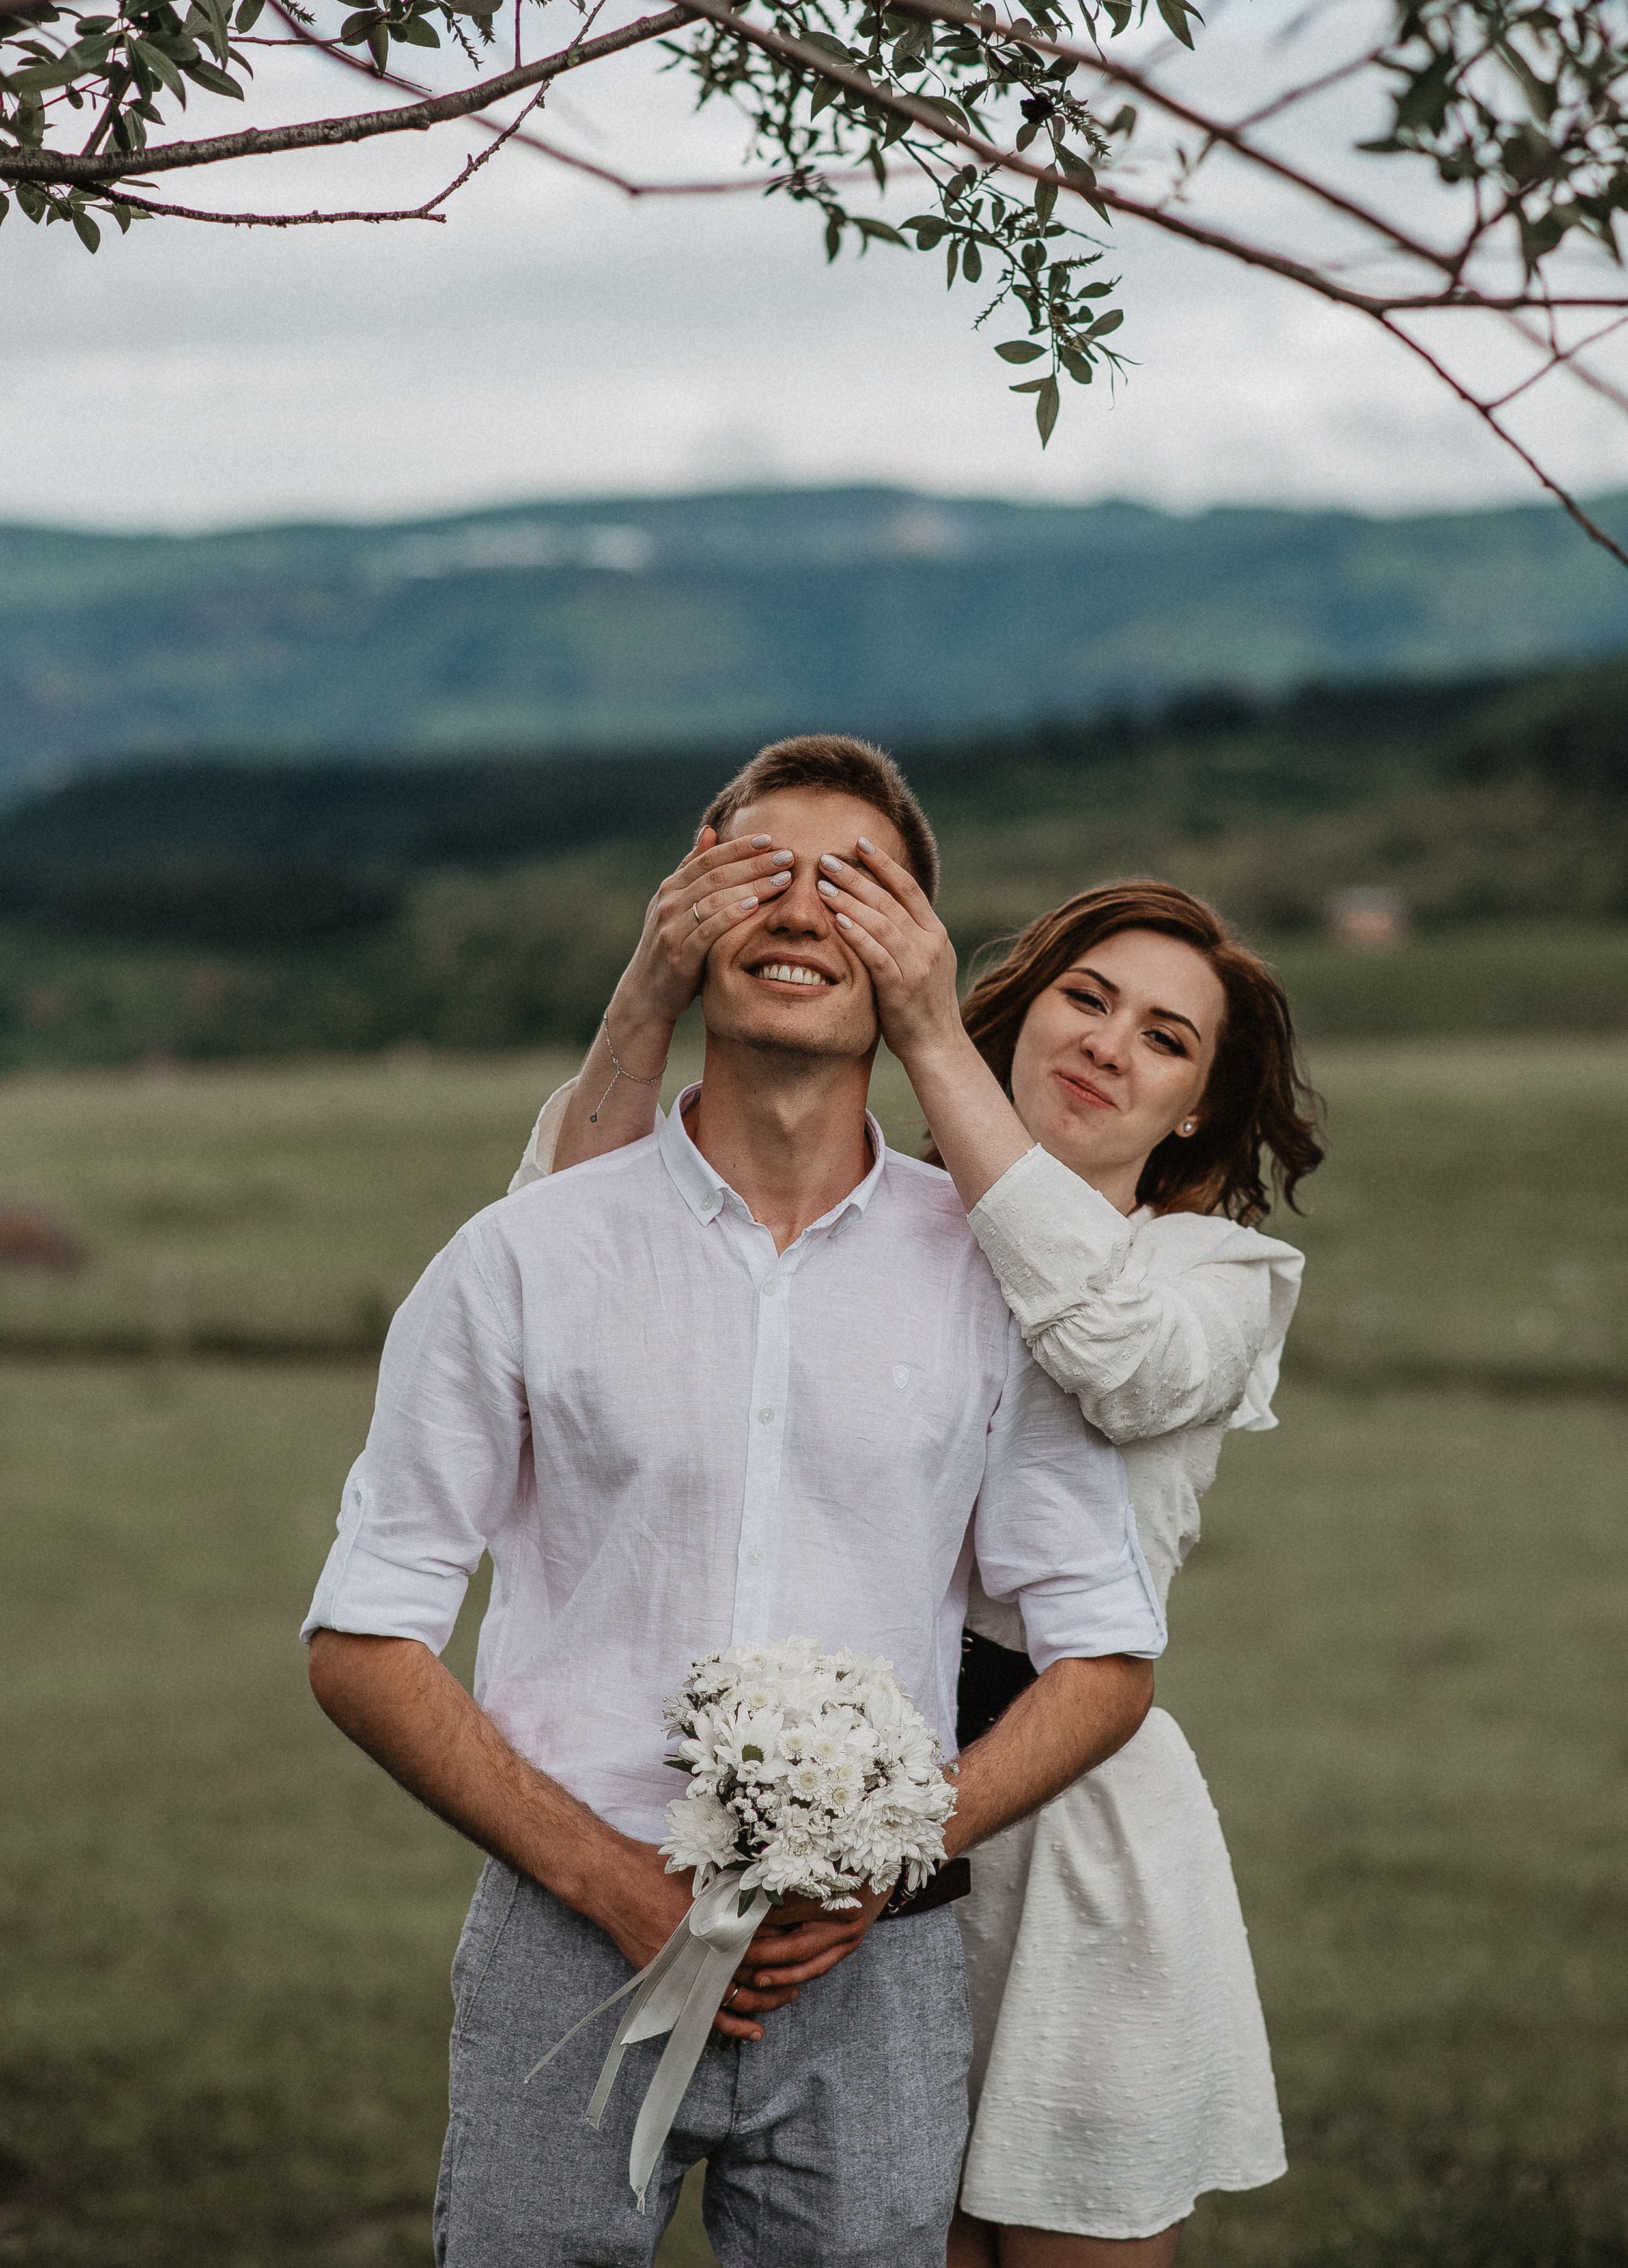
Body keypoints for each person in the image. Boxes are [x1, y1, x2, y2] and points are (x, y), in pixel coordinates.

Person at [302, 733, 1168, 2268]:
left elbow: (1104, 1654)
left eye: (853, 886)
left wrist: (904, 1848)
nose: (797, 909)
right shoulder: (520, 1257)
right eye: (752, 874)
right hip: (563, 1951)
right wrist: (604, 1880)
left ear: (911, 960)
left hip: (875, 1975)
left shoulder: (991, 1278)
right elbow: (363, 1636)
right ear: (681, 922)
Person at [520, 819, 1321, 2268]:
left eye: (1164, 1039)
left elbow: (1110, 1355)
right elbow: (574, 1256)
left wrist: (931, 1038)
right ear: (1029, 1005)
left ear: (1197, 1111)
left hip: (1067, 1831)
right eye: (1083, 997)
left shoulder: (1214, 1279)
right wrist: (659, 985)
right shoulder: (878, 1222)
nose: (1106, 1046)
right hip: (837, 1819)